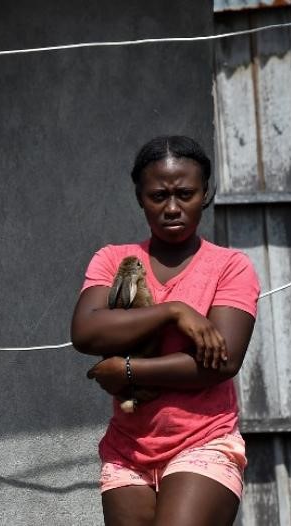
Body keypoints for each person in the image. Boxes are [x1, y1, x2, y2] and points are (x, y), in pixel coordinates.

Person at [71, 135, 260, 526]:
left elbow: (219, 364)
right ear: (140, 197)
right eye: (158, 196)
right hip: (127, 451)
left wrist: (128, 371)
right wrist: (173, 311)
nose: (172, 208)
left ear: (205, 193)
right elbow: (87, 331)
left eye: (186, 194)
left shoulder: (230, 267)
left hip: (203, 443)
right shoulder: (114, 261)